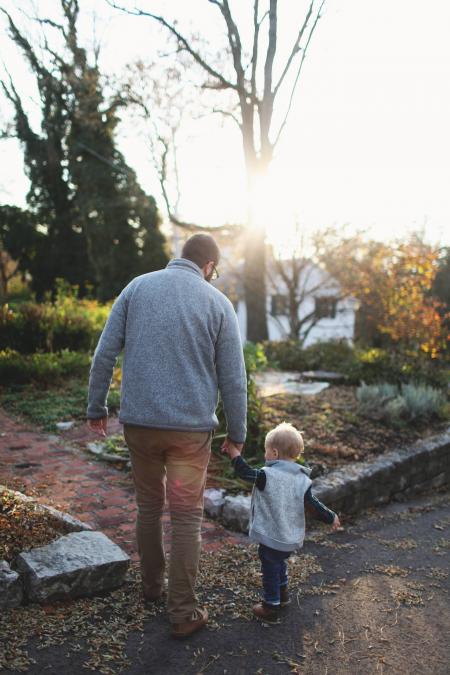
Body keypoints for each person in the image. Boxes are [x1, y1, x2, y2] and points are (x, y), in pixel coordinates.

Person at [87, 233, 247, 638]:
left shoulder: (137, 288)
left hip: (140, 426)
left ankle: (151, 587)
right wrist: (238, 433)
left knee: (147, 507)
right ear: (209, 266)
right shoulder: (218, 303)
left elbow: (105, 353)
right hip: (190, 433)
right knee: (186, 517)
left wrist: (96, 408)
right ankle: (183, 611)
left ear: (182, 257)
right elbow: (234, 379)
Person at [221, 422, 340, 621]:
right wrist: (331, 516)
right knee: (279, 563)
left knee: (269, 566)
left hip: (272, 535)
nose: (265, 456)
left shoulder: (268, 475)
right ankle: (282, 595)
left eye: (266, 451)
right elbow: (312, 504)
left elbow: (245, 472)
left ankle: (270, 605)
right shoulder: (301, 479)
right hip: (289, 537)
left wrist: (234, 453)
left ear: (274, 453)